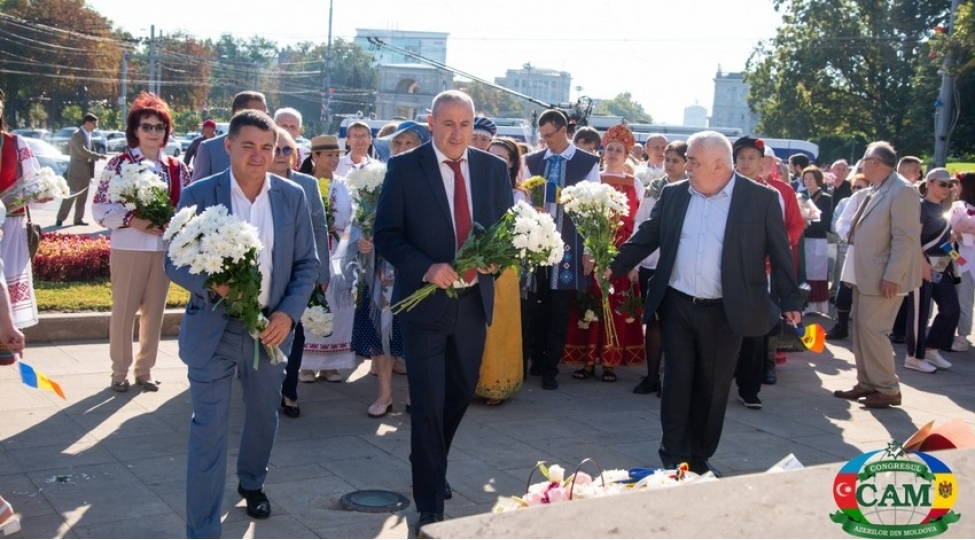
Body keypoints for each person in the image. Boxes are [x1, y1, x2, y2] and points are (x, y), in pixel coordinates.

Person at [606, 131, 801, 475]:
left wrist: (790, 300)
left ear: (719, 165)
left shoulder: (760, 199)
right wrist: (615, 265)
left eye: (693, 161)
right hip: (677, 303)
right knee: (677, 381)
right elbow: (649, 234)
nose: (686, 166)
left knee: (712, 387)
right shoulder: (675, 193)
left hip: (726, 310)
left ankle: (699, 453)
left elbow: (780, 251)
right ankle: (673, 453)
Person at [164, 110, 319, 538]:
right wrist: (213, 284)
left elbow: (307, 263)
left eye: (267, 148)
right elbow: (173, 260)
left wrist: (287, 313)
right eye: (248, 146)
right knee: (207, 432)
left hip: (269, 329)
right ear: (228, 146)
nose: (258, 156)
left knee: (262, 417)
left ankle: (252, 482)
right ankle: (203, 530)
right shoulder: (200, 194)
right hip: (213, 330)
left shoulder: (292, 197)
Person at [373, 90, 512, 535]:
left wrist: (498, 261)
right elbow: (387, 235)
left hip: (473, 303)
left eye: (465, 124)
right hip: (425, 304)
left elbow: (508, 234)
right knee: (428, 402)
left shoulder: (492, 170)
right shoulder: (405, 168)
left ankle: (429, 457)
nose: (456, 133)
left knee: (461, 390)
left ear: (474, 127)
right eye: (448, 123)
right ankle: (430, 502)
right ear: (431, 123)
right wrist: (425, 267)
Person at [92, 92, 191, 392]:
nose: (153, 133)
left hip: (162, 248)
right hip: (128, 246)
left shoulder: (176, 167)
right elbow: (99, 207)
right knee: (123, 310)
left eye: (159, 127)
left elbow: (187, 209)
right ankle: (119, 372)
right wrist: (132, 220)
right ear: (135, 130)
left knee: (155, 311)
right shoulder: (119, 164)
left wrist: (171, 223)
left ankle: (145, 370)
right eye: (146, 126)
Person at [833, 141, 921, 409]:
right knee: (861, 331)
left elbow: (905, 239)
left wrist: (893, 275)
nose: (860, 163)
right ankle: (868, 382)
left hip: (884, 276)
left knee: (874, 331)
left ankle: (887, 388)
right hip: (866, 273)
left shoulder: (902, 191)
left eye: (864, 158)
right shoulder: (878, 188)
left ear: (875, 162)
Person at [355, 121, 430, 417]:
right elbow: (361, 221)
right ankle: (384, 395)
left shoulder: (431, 181)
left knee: (416, 334)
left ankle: (415, 394)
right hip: (382, 270)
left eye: (408, 143)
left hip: (417, 269)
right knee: (381, 332)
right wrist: (363, 242)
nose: (400, 149)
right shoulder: (377, 180)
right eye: (397, 144)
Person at [523, 109, 600, 390]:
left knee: (560, 307)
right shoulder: (531, 160)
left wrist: (590, 249)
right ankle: (535, 358)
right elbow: (520, 199)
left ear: (564, 130)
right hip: (537, 244)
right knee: (535, 304)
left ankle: (551, 368)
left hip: (570, 242)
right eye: (542, 136)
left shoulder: (586, 162)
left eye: (550, 135)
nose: (545, 142)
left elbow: (594, 209)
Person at [563, 125, 645, 382]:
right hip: (594, 253)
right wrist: (588, 252)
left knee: (616, 307)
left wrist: (634, 262)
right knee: (592, 306)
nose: (612, 153)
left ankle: (610, 362)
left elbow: (641, 224)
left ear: (627, 154)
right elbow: (583, 218)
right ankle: (587, 362)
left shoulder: (636, 183)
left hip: (622, 255)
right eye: (609, 148)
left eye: (618, 150)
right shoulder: (594, 179)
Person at [268, 129, 331, 418]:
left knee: (297, 332)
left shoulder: (307, 184)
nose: (281, 155)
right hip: (265, 272)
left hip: (301, 271)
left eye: (287, 150)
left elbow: (319, 228)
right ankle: (265, 387)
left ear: (295, 155)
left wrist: (322, 271)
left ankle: (289, 392)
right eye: (276, 149)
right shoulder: (257, 181)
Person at [730, 136, 791, 409]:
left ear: (761, 162)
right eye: (741, 158)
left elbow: (776, 236)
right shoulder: (723, 188)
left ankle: (749, 387)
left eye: (751, 158)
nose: (745, 163)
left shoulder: (771, 193)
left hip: (757, 271)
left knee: (754, 330)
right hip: (726, 269)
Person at [297, 135, 356, 384]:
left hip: (340, 254)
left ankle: (332, 365)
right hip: (312, 252)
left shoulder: (345, 186)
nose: (333, 159)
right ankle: (306, 365)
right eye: (328, 155)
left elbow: (355, 218)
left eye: (336, 154)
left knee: (339, 307)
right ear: (315, 156)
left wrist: (343, 232)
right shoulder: (303, 184)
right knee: (311, 303)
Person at [632, 140, 687, 396]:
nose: (670, 165)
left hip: (680, 265)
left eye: (676, 160)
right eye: (667, 160)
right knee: (653, 321)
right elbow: (641, 223)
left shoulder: (694, 190)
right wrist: (633, 260)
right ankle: (652, 375)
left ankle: (675, 381)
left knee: (676, 324)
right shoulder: (654, 188)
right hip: (652, 263)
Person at [476, 137, 526, 406]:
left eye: (502, 159)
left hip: (503, 268)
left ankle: (497, 383)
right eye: (490, 156)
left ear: (511, 164)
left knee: (497, 326)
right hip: (474, 264)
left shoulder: (519, 195)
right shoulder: (473, 188)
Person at [904, 168, 959, 373]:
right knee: (919, 313)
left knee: (951, 309)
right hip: (922, 266)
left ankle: (931, 348)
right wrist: (921, 263)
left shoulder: (943, 208)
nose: (947, 188)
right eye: (942, 184)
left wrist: (957, 256)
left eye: (950, 185)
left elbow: (943, 240)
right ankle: (913, 356)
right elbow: (912, 239)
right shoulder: (920, 207)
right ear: (930, 182)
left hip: (941, 265)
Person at [0, 88, 43, 332]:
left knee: (5, 284)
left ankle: (5, 339)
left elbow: (34, 185)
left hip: (10, 228)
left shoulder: (15, 143)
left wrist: (40, 192)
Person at [827, 173, 870, 340]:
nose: (858, 190)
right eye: (855, 187)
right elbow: (837, 222)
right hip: (849, 250)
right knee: (844, 291)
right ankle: (841, 325)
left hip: (871, 254)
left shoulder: (877, 201)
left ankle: (865, 331)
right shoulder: (846, 202)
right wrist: (849, 235)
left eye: (861, 187)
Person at [190, 91, 267, 182]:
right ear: (238, 113)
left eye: (265, 114)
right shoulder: (210, 149)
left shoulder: (271, 149)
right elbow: (197, 192)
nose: (262, 119)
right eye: (257, 114)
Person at [55, 112, 106, 226]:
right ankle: (60, 218)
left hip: (86, 170)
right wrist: (97, 156)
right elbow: (82, 151)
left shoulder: (88, 135)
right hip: (76, 170)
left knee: (83, 197)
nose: (95, 126)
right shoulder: (77, 135)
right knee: (70, 195)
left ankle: (78, 219)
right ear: (87, 123)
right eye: (94, 124)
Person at [801, 166, 833, 315]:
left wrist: (805, 224)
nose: (808, 181)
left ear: (818, 180)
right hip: (803, 239)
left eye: (811, 178)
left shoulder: (825, 198)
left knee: (817, 273)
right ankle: (804, 303)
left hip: (817, 239)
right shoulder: (800, 195)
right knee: (804, 271)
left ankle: (816, 305)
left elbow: (824, 222)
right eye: (805, 178)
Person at [949, 171, 975, 352]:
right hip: (963, 261)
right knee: (963, 299)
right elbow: (948, 239)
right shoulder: (957, 207)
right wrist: (958, 259)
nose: (954, 188)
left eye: (958, 184)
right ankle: (962, 337)